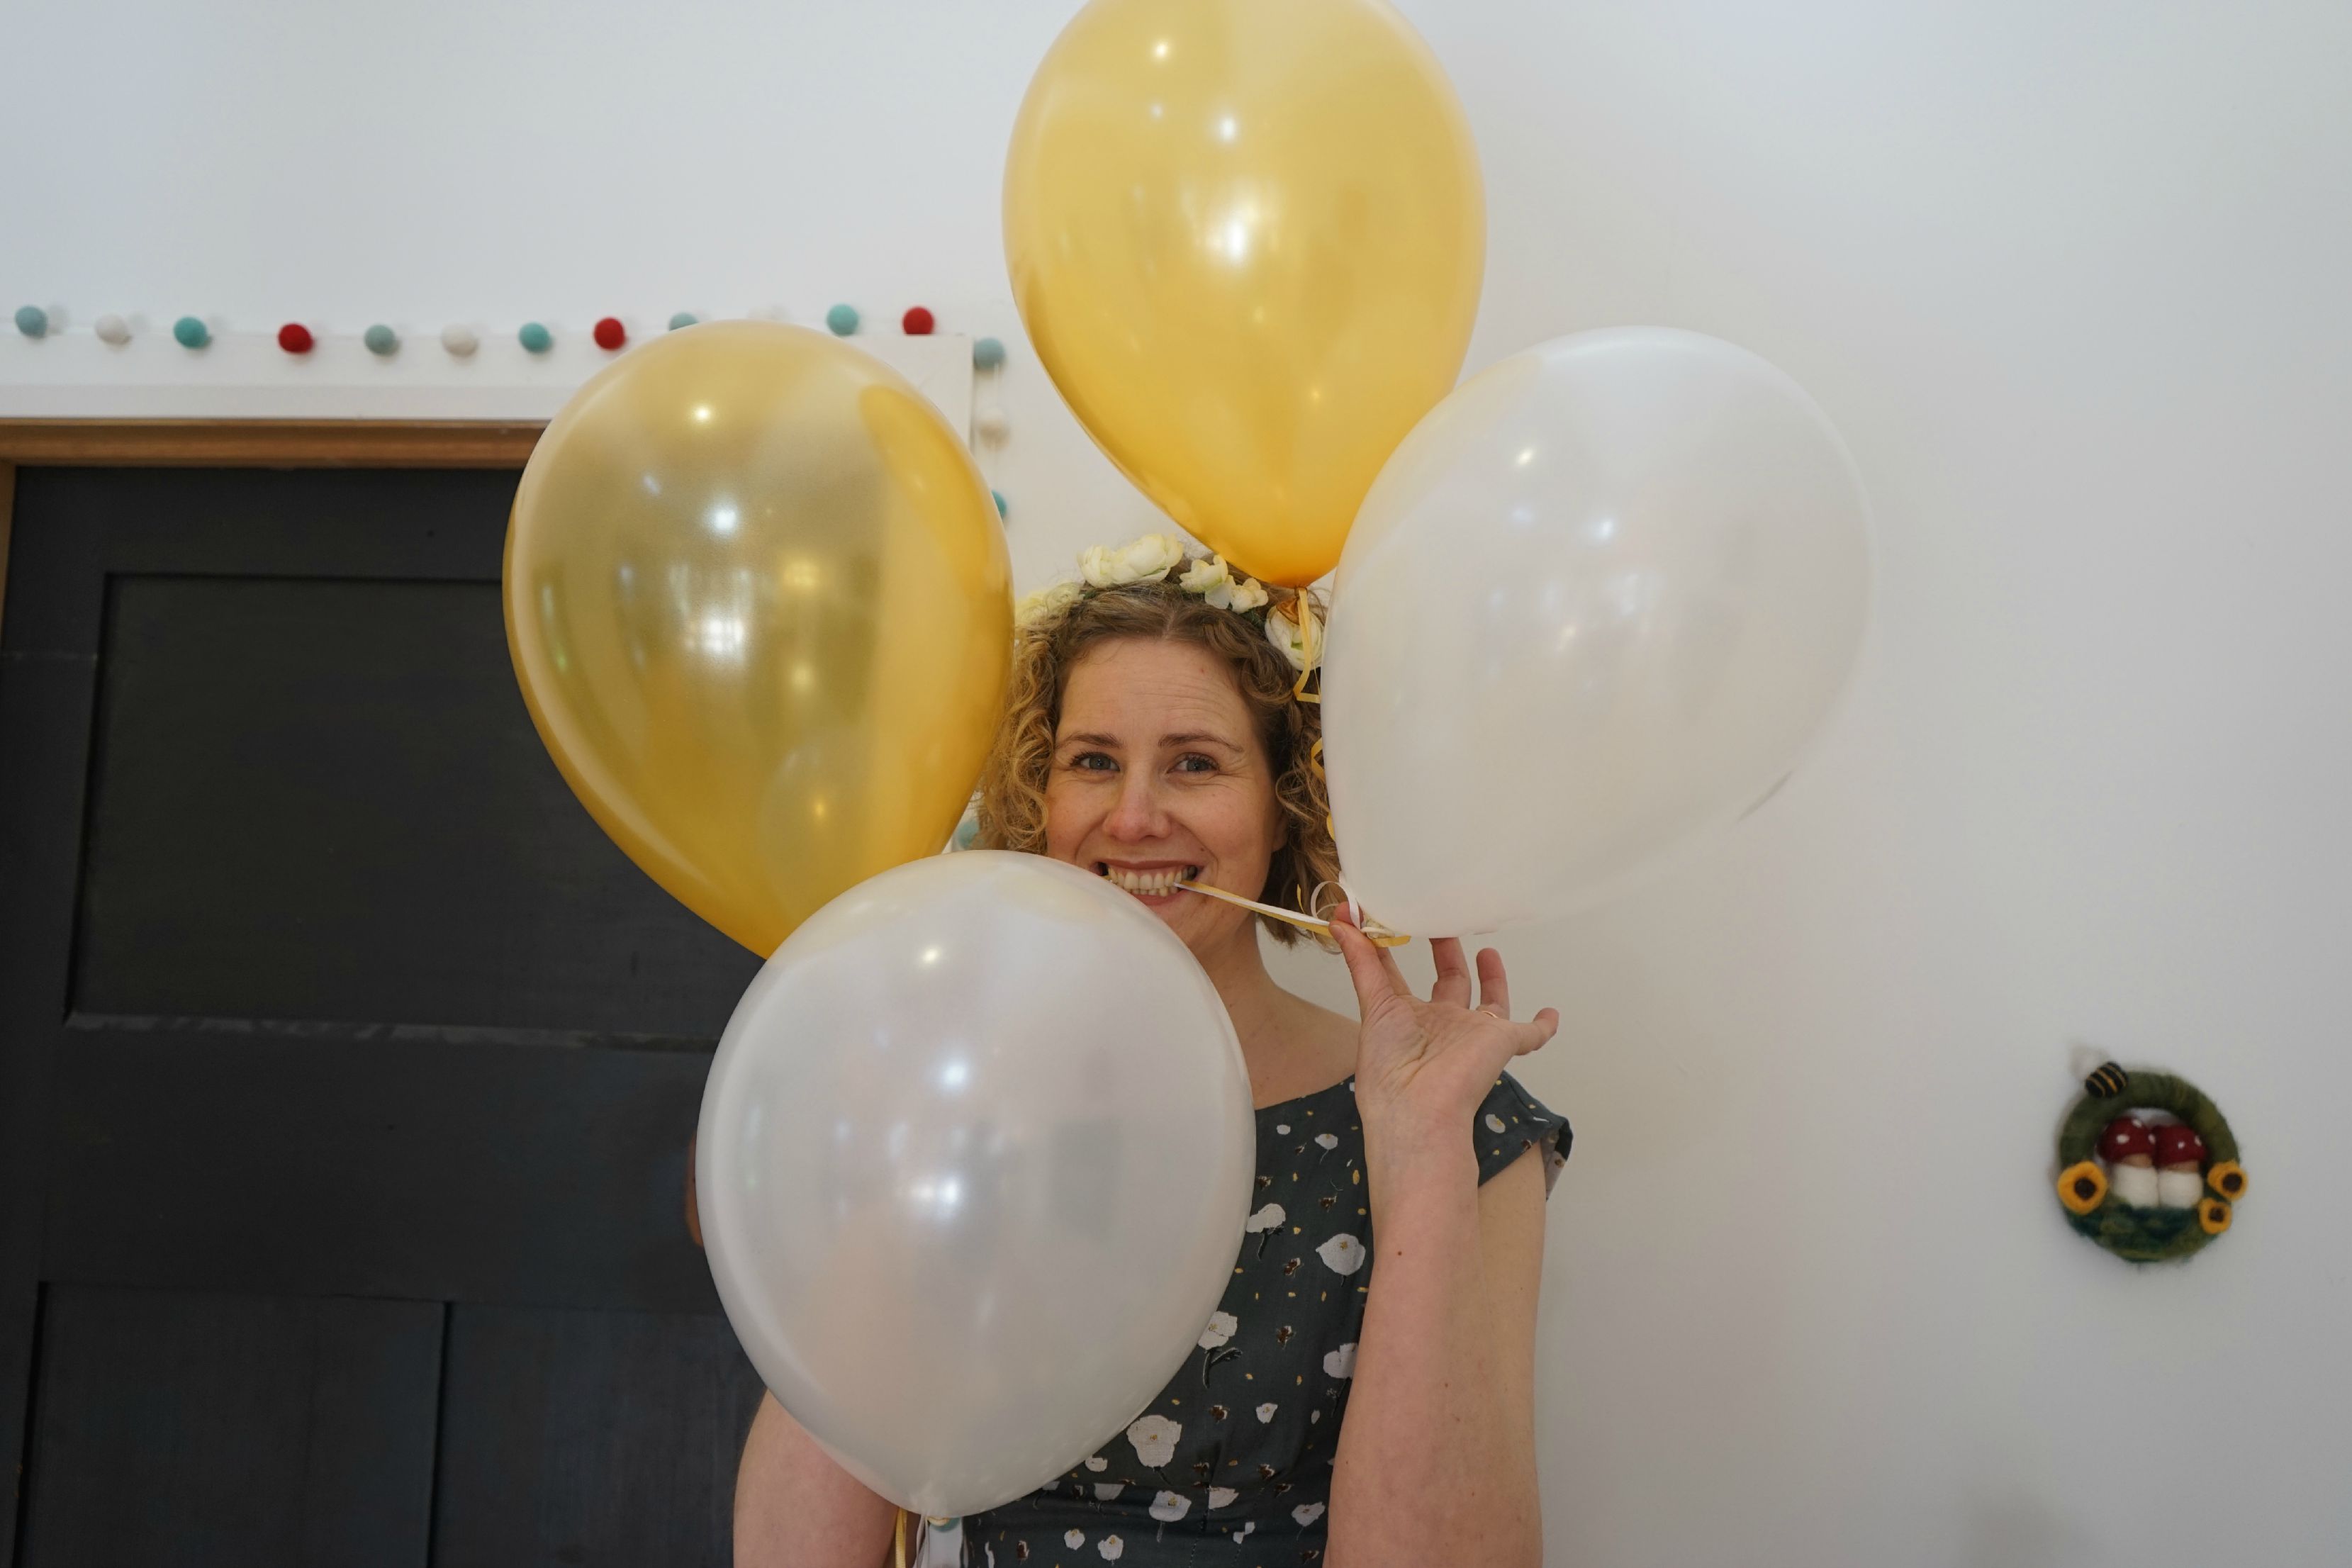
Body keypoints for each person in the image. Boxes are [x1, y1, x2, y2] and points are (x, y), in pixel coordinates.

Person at [734, 534, 1569, 1567]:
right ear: (1041, 794)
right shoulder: (957, 1098)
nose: (1132, 818)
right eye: (1093, 761)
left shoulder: (1458, 1119)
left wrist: (1422, 1143)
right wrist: (895, 1140)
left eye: (1194, 763)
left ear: (1287, 803)